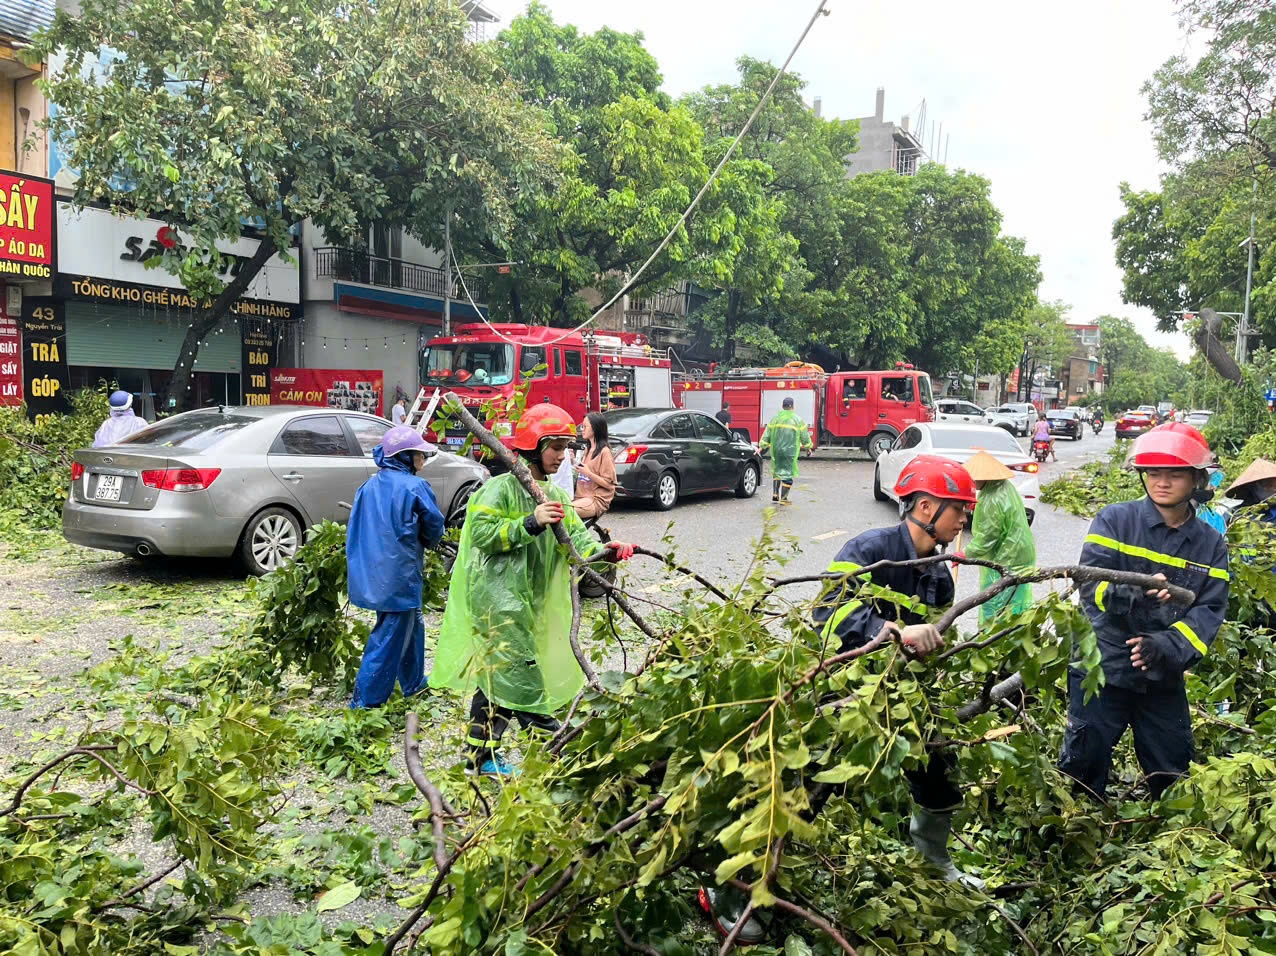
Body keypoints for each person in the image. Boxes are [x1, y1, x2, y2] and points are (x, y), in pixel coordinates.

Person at [430, 403, 636, 776]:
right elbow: (480, 535)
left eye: (565, 447)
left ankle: (479, 758)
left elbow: (578, 547)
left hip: (526, 605)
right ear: (532, 446)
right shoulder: (499, 489)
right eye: (555, 447)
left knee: (497, 683)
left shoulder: (552, 497)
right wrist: (529, 522)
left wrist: (608, 552)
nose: (562, 455)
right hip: (496, 604)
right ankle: (560, 755)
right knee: (523, 681)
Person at [1059, 423, 1230, 801]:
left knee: (1173, 775)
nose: (1162, 482)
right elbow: (1091, 586)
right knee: (1082, 775)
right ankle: (1076, 838)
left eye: (1174, 474)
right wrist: (1134, 593)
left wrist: (1168, 646)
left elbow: (1210, 610)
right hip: (1102, 668)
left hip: (1161, 675)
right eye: (1154, 473)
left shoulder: (1210, 544)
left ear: (1197, 479)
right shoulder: (1115, 521)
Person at [347, 425, 447, 708]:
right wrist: (432, 541)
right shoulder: (414, 487)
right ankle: (365, 703)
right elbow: (434, 525)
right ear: (406, 456)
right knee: (388, 637)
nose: (423, 460)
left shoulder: (368, 486)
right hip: (399, 575)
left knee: (412, 624)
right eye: (419, 454)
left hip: (374, 573)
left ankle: (413, 683)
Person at [961, 450, 1037, 627]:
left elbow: (987, 538)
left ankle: (992, 642)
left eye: (973, 478)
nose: (972, 482)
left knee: (994, 604)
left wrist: (965, 553)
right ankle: (1016, 635)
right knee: (1016, 603)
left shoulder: (990, 499)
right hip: (1021, 551)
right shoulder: (1004, 487)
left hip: (1006, 557)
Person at [759, 397, 813, 505]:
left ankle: (775, 494)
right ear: (793, 406)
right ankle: (784, 498)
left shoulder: (775, 419)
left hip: (776, 450)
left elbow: (767, 434)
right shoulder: (797, 419)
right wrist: (808, 448)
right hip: (790, 451)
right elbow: (805, 437)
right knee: (788, 474)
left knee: (777, 470)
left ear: (782, 406)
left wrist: (762, 446)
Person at [572, 411, 616, 520]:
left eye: (585, 426)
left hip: (596, 500)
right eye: (582, 426)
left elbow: (610, 485)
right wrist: (572, 461)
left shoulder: (604, 452)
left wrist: (588, 473)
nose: (582, 429)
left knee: (566, 512)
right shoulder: (587, 449)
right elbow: (582, 473)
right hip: (580, 497)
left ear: (595, 428)